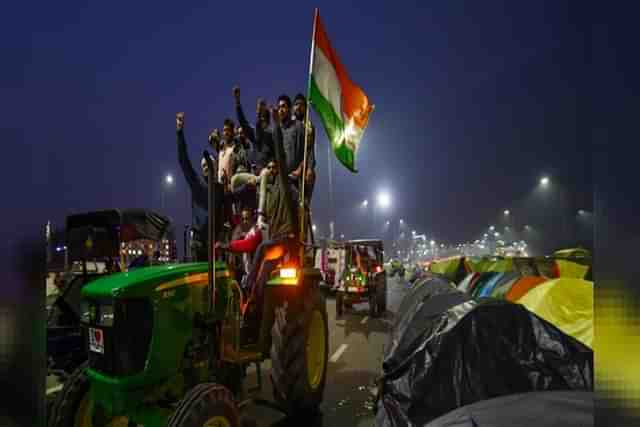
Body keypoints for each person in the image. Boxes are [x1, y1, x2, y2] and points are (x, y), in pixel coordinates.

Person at [176, 112, 225, 261]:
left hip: (214, 242)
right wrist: (179, 132)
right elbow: (183, 160)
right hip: (198, 241)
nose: (206, 167)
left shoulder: (219, 188)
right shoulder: (197, 183)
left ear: (215, 166)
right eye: (203, 165)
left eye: (208, 165)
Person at [233, 86, 274, 175]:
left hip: (268, 174)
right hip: (254, 176)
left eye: (263, 118)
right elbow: (243, 122)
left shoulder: (272, 134)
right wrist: (237, 102)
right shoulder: (255, 133)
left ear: (267, 121)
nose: (261, 121)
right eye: (260, 118)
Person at [291, 93, 316, 201]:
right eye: (296, 104)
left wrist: (309, 168)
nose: (298, 107)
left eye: (301, 105)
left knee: (311, 175)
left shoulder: (309, 126)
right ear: (292, 107)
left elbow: (310, 150)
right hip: (287, 164)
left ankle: (305, 206)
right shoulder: (288, 123)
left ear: (305, 108)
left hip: (303, 166)